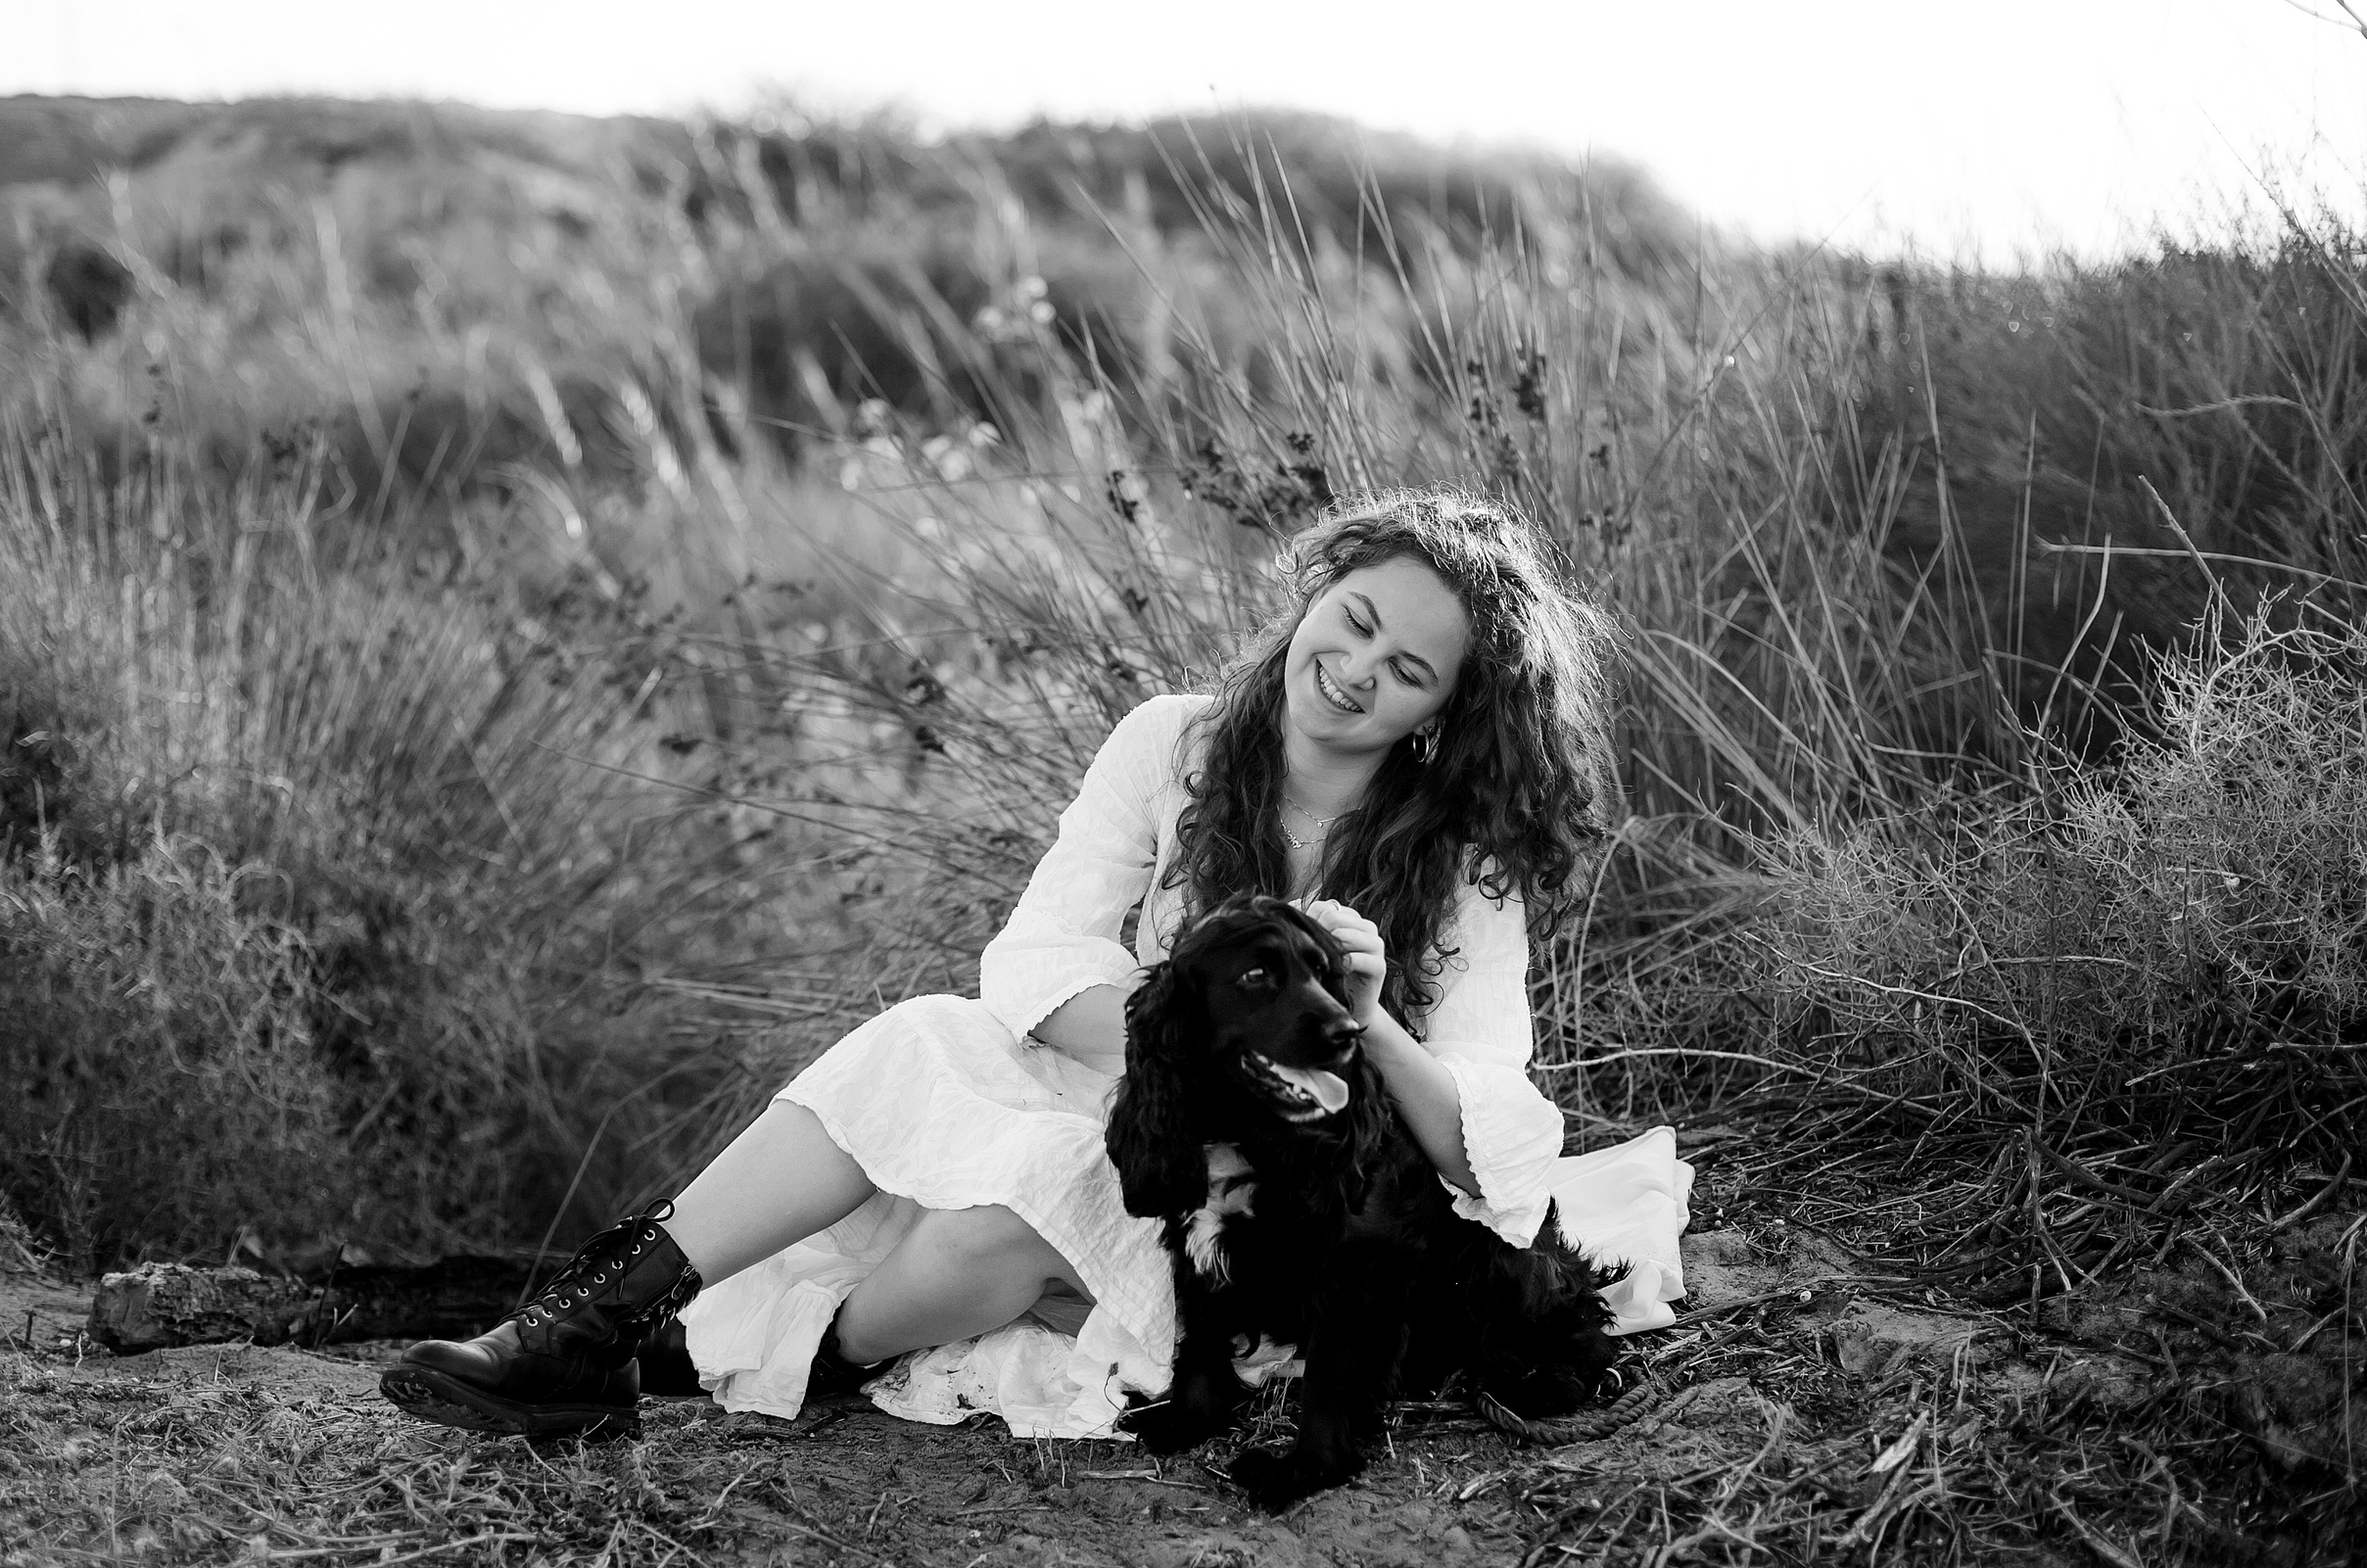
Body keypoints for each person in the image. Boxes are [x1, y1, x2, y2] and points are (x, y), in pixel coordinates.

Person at [382, 488, 1691, 1442]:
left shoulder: (1462, 865)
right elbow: (1038, 957)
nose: (1352, 674)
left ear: (1444, 714)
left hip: (1280, 1201)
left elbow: (1492, 1137)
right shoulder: (1174, 742)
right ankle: (592, 1323)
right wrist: (1196, 1057)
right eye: (1349, 622)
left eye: (1405, 671)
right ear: (1316, 592)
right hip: (1135, 1101)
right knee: (923, 1034)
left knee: (1004, 1226)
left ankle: (764, 1365)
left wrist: (1366, 1021)